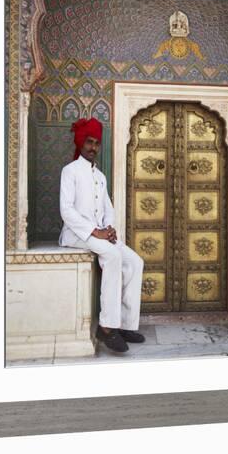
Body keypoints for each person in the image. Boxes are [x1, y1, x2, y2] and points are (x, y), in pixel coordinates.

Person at [58, 117, 145, 353]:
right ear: (80, 142)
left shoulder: (100, 176)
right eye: (89, 142)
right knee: (112, 255)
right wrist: (95, 231)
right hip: (76, 234)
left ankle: (125, 324)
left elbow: (108, 208)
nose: (93, 147)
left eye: (96, 143)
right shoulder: (70, 171)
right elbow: (66, 210)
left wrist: (109, 227)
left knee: (135, 262)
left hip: (98, 235)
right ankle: (106, 327)